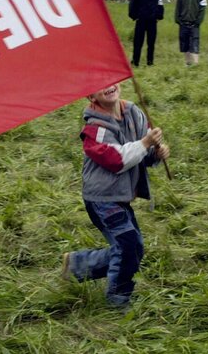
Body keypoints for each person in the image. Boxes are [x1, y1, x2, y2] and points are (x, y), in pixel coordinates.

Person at [60, 81, 170, 308]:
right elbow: (117, 160)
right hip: (101, 198)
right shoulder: (94, 129)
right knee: (129, 246)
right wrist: (145, 143)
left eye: (111, 80)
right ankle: (117, 301)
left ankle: (78, 265)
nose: (108, 86)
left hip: (119, 196)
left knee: (133, 248)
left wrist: (156, 152)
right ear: (90, 95)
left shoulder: (134, 112)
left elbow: (144, 152)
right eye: (99, 85)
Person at [127, 0, 163, 67]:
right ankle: (135, 61)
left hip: (152, 20)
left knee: (151, 43)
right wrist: (135, 16)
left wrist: (158, 16)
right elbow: (133, 4)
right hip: (141, 20)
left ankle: (150, 62)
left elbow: (160, 4)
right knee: (138, 42)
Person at [175, 0, 207, 66]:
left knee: (195, 42)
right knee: (185, 44)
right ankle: (188, 62)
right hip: (183, 23)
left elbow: (203, 8)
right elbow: (178, 8)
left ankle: (196, 63)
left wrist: (198, 21)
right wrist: (178, 20)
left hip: (195, 23)